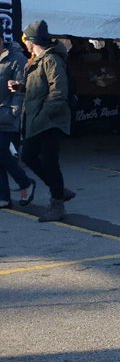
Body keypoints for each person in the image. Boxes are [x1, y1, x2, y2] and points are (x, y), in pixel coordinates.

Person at [15, 20, 75, 222]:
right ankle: (59, 189)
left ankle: (57, 205)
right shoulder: (35, 60)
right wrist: (22, 87)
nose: (23, 42)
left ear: (32, 40)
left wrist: (42, 116)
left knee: (49, 160)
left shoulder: (51, 60)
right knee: (30, 156)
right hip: (39, 118)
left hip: (51, 119)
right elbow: (38, 89)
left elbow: (58, 93)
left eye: (25, 39)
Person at [0, 37, 36, 208]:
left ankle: (25, 182)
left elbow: (21, 89)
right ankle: (4, 197)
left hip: (8, 116)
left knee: (2, 153)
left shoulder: (16, 59)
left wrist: (13, 112)